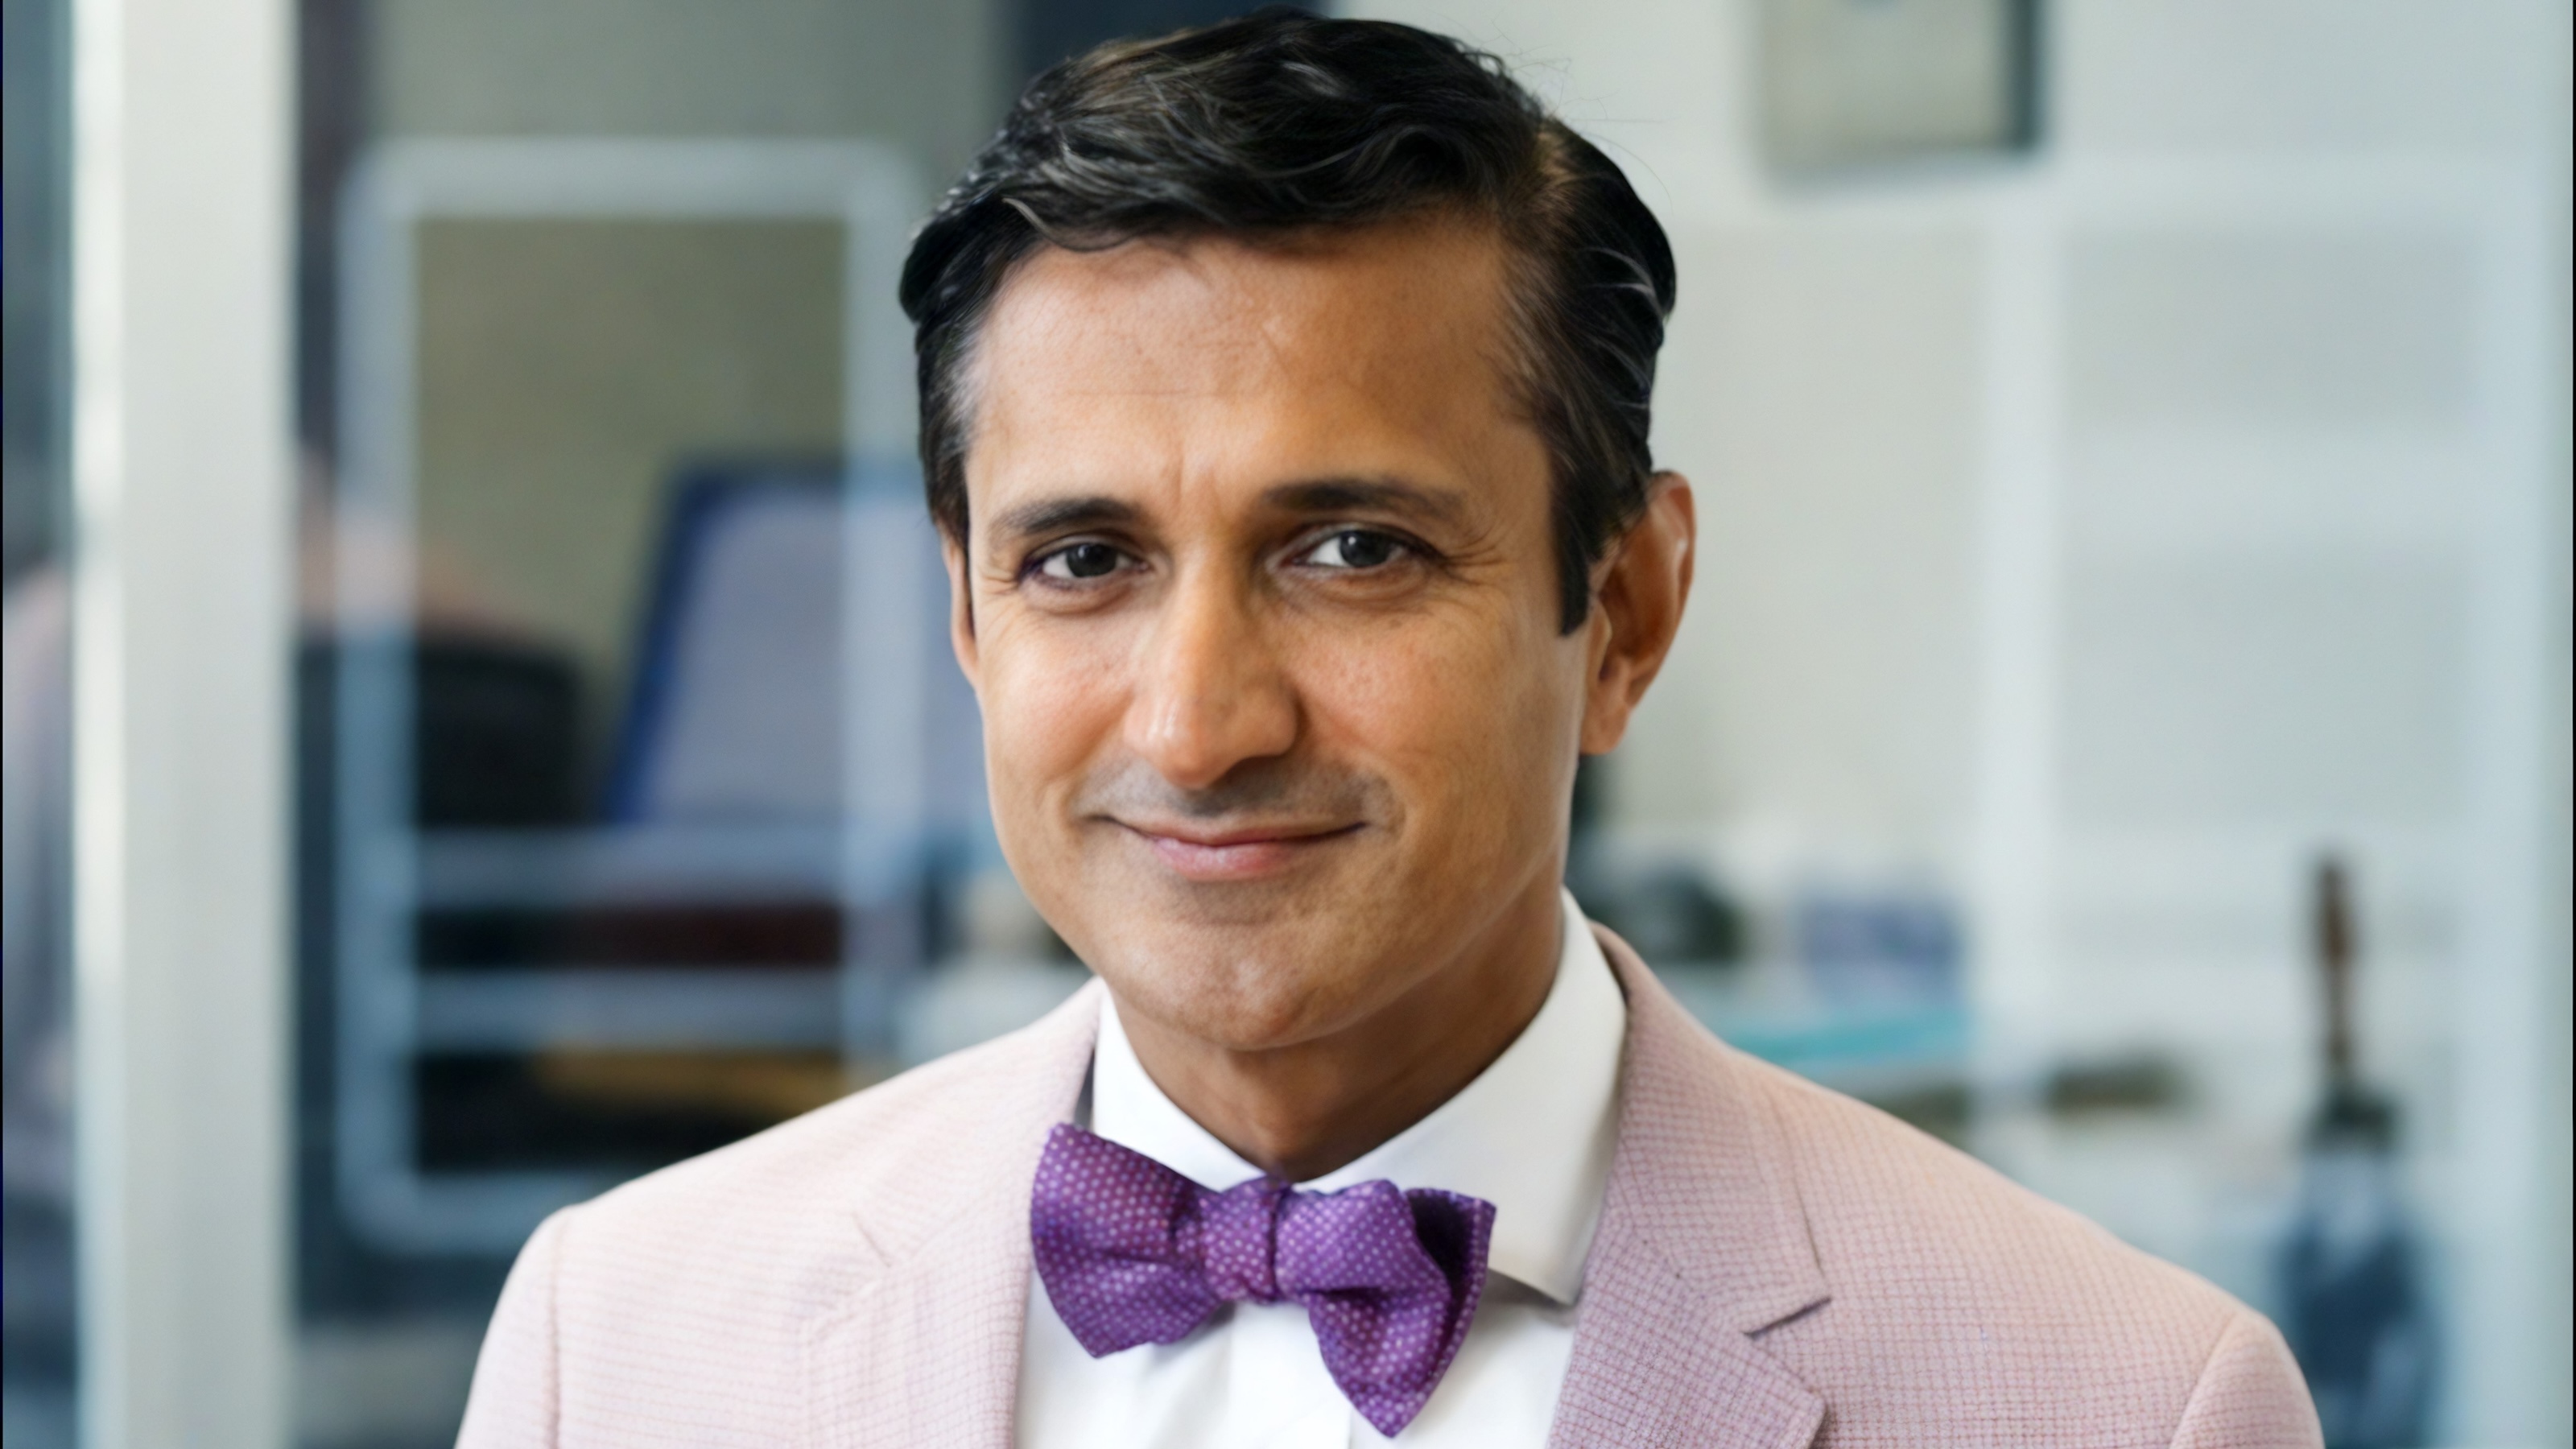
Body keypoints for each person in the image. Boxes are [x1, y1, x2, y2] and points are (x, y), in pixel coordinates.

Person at [456, 13, 2320, 1446]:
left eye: (1353, 550)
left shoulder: (2120, 1405)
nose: (1197, 724)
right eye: (1085, 558)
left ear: (1629, 609)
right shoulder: (614, 1343)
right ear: (963, 614)